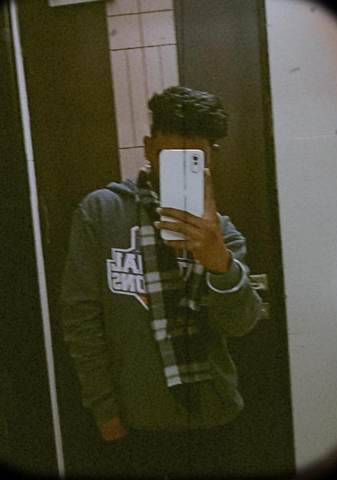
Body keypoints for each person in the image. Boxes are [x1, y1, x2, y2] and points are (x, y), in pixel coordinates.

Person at [60, 86, 263, 477]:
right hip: (132, 423)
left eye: (193, 159)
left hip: (213, 416)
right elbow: (81, 320)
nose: (181, 170)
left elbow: (240, 324)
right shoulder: (101, 213)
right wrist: (105, 413)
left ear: (210, 158)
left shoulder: (221, 233)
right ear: (149, 148)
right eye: (171, 157)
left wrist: (218, 261)